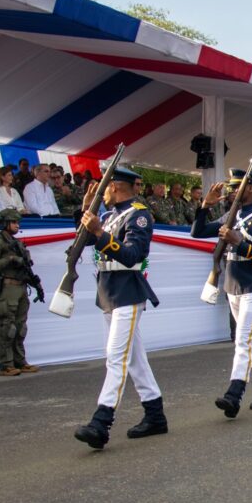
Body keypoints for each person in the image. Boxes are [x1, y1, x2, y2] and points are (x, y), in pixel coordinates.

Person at [73, 167, 167, 450]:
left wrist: (99, 231)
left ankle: (101, 423)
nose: (102, 194)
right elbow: (84, 240)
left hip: (128, 291)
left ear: (115, 187)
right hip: (109, 291)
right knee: (134, 359)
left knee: (115, 357)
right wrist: (85, 210)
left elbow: (131, 255)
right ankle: (155, 415)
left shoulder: (139, 214)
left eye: (105, 188)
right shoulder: (107, 215)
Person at [191, 169, 252, 417]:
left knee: (242, 339)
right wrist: (204, 206)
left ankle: (235, 392)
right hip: (233, 287)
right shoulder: (231, 216)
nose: (229, 192)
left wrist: (238, 241)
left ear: (249, 188)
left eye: (234, 187)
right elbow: (197, 232)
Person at [0, 209, 42, 376]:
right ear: (5, 223)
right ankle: (6, 364)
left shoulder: (17, 243)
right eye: (14, 222)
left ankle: (20, 361)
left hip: (21, 286)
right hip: (7, 288)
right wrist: (10, 259)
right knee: (6, 327)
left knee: (20, 327)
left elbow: (26, 266)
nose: (17, 225)